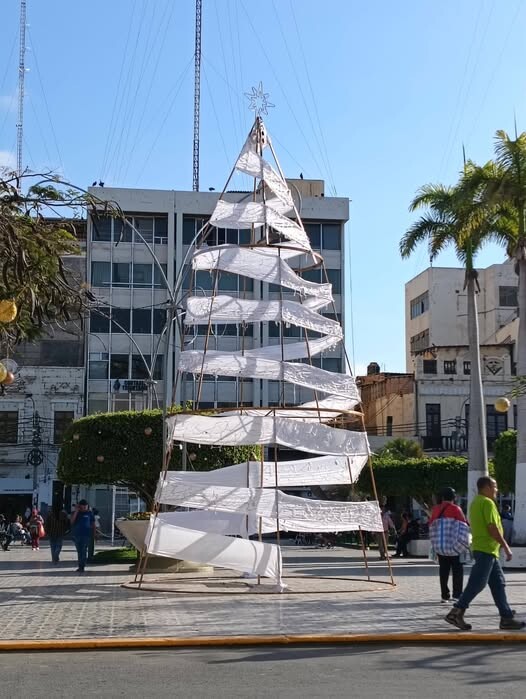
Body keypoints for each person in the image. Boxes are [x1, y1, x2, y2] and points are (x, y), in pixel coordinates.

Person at [445, 477, 525, 631]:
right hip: (486, 550)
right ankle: (456, 612)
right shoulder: (487, 503)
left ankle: (506, 617)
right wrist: (506, 546)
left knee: (498, 583)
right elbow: (492, 527)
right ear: (487, 487)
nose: (497, 490)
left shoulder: (475, 502)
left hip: (486, 550)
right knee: (478, 583)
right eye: (494, 487)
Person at [429, 487, 468, 603]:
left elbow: (431, 524)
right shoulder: (456, 509)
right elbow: (464, 524)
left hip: (441, 546)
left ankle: (444, 596)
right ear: (454, 497)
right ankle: (457, 595)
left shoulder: (436, 509)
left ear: (442, 497)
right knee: (458, 570)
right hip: (454, 546)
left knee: (443, 570)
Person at [70, 500, 95, 573]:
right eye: (82, 506)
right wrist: (76, 511)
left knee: (83, 550)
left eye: (85, 506)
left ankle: (82, 566)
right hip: (77, 535)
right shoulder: (75, 513)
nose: (84, 507)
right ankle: (80, 565)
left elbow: (93, 524)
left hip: (86, 535)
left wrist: (94, 534)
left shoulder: (89, 513)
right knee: (79, 551)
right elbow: (72, 522)